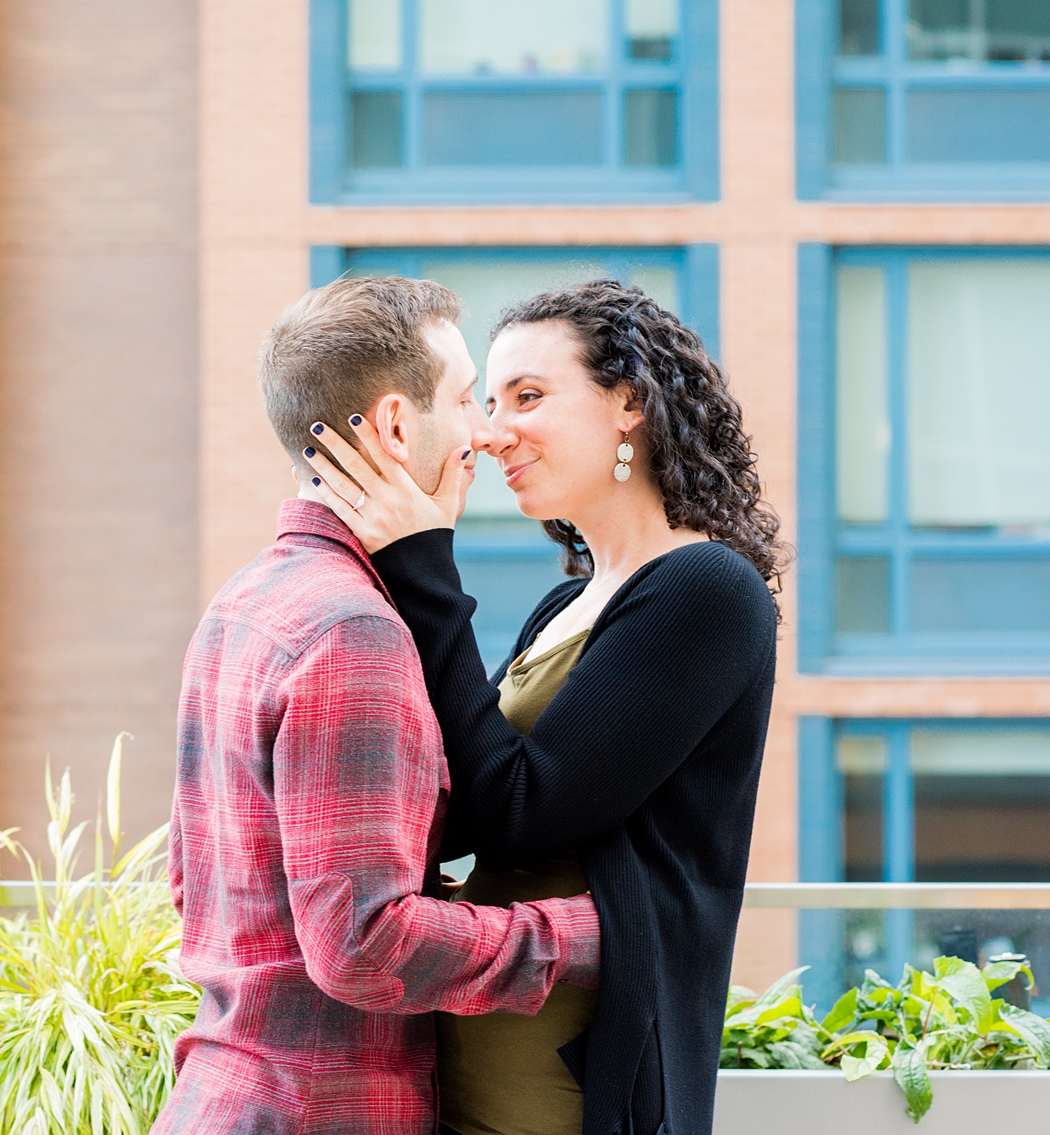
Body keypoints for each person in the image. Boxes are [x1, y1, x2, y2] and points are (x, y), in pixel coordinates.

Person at [304, 279, 782, 1135]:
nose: (492, 431)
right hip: (467, 1060)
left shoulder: (705, 590)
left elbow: (521, 811)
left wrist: (422, 567)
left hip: (571, 1092)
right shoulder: (569, 604)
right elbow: (460, 781)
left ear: (629, 402)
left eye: (528, 396)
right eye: (487, 402)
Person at [152, 276, 603, 1135]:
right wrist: (593, 932)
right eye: (466, 398)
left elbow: (192, 881)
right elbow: (364, 944)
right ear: (397, 425)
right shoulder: (352, 629)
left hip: (228, 1095)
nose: (482, 432)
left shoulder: (247, 602)